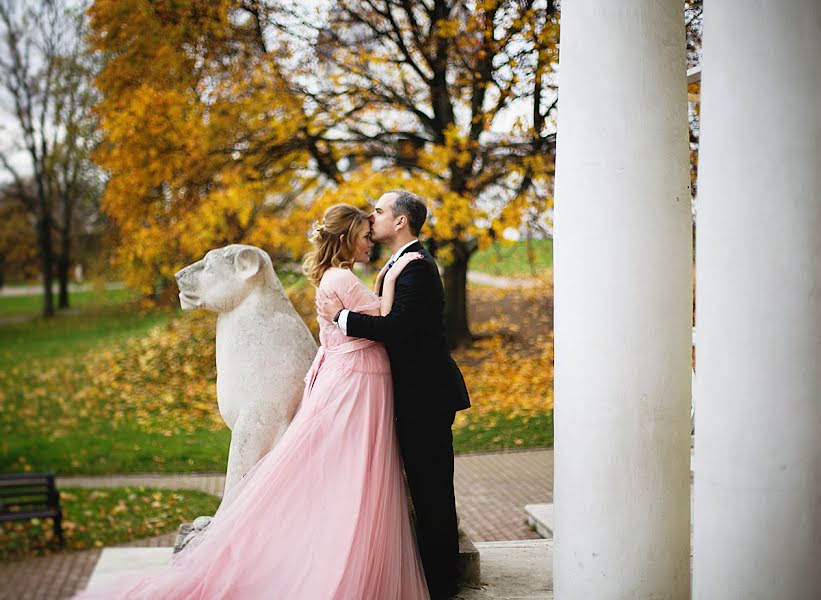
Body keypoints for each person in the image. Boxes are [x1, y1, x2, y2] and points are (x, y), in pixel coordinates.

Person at [74, 204, 429, 600]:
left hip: (356, 376)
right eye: (364, 236)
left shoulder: (336, 276)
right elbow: (386, 316)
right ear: (347, 238)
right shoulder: (342, 277)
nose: (370, 242)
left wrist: (384, 277)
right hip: (358, 380)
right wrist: (393, 274)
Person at [317, 190, 471, 600]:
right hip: (411, 395)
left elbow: (399, 328)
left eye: (380, 211)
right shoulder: (398, 264)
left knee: (433, 490)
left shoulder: (418, 268)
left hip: (426, 397)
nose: (373, 216)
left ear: (401, 221)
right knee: (422, 488)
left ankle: (442, 585)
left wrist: (340, 318)